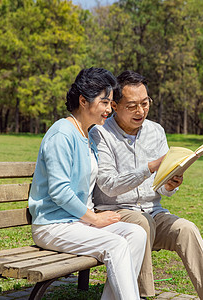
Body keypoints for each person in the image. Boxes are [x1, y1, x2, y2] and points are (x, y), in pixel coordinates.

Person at [89, 70, 203, 300]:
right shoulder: (101, 133)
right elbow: (108, 185)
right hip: (116, 214)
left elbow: (160, 187)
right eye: (132, 105)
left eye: (145, 103)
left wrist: (170, 183)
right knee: (140, 224)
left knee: (187, 229)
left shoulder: (156, 131)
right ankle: (141, 295)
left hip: (154, 212)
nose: (140, 111)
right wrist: (149, 167)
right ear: (114, 105)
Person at [28, 67, 147, 300]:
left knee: (136, 234)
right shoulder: (62, 134)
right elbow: (60, 192)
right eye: (104, 103)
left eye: (110, 103)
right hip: (53, 225)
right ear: (83, 101)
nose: (108, 110)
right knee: (116, 245)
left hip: (77, 223)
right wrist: (94, 219)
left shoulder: (88, 135)